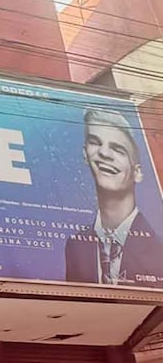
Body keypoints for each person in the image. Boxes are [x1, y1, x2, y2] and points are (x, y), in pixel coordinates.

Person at [65, 108, 163, 288]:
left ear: (137, 172)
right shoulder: (76, 247)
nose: (104, 153)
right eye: (95, 142)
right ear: (85, 154)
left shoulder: (159, 248)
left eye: (118, 149)